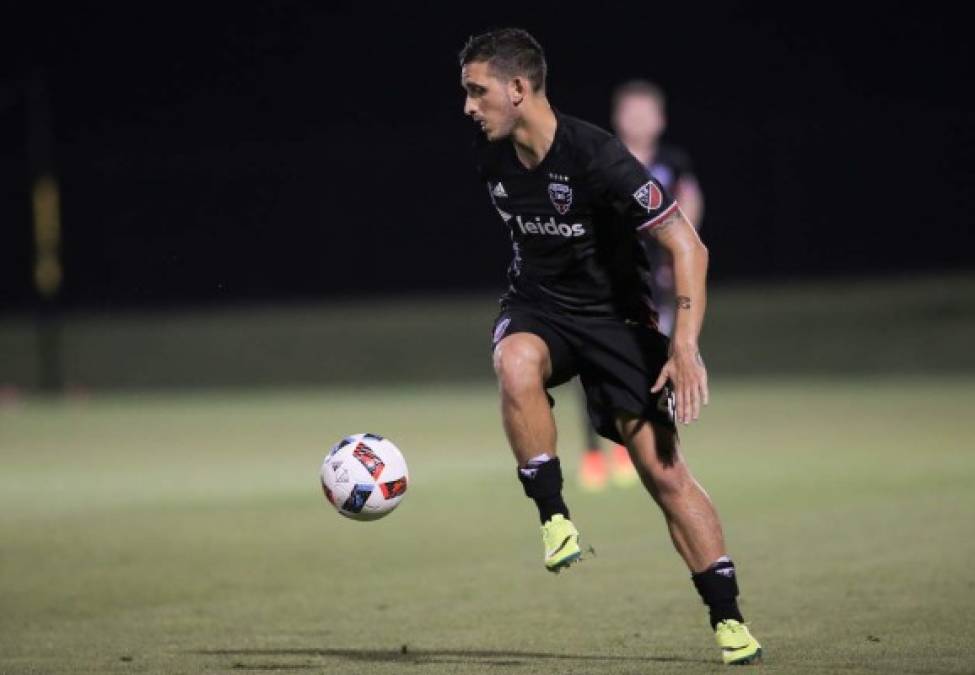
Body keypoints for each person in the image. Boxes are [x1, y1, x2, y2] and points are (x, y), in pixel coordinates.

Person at [459, 28, 762, 665]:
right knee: (514, 359)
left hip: (618, 323)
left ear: (519, 88)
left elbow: (689, 246)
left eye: (477, 91)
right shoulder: (490, 157)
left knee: (664, 472)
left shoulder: (598, 155)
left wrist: (684, 345)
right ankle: (554, 517)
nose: (468, 106)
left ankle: (728, 619)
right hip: (538, 307)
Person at [577, 80, 706, 492]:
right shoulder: (603, 158)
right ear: (618, 118)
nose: (638, 120)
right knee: (594, 363)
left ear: (660, 118)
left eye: (646, 112)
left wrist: (677, 252)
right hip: (607, 279)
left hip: (656, 284)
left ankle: (633, 446)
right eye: (631, 113)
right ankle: (593, 453)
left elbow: (690, 202)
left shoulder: (673, 160)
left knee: (648, 363)